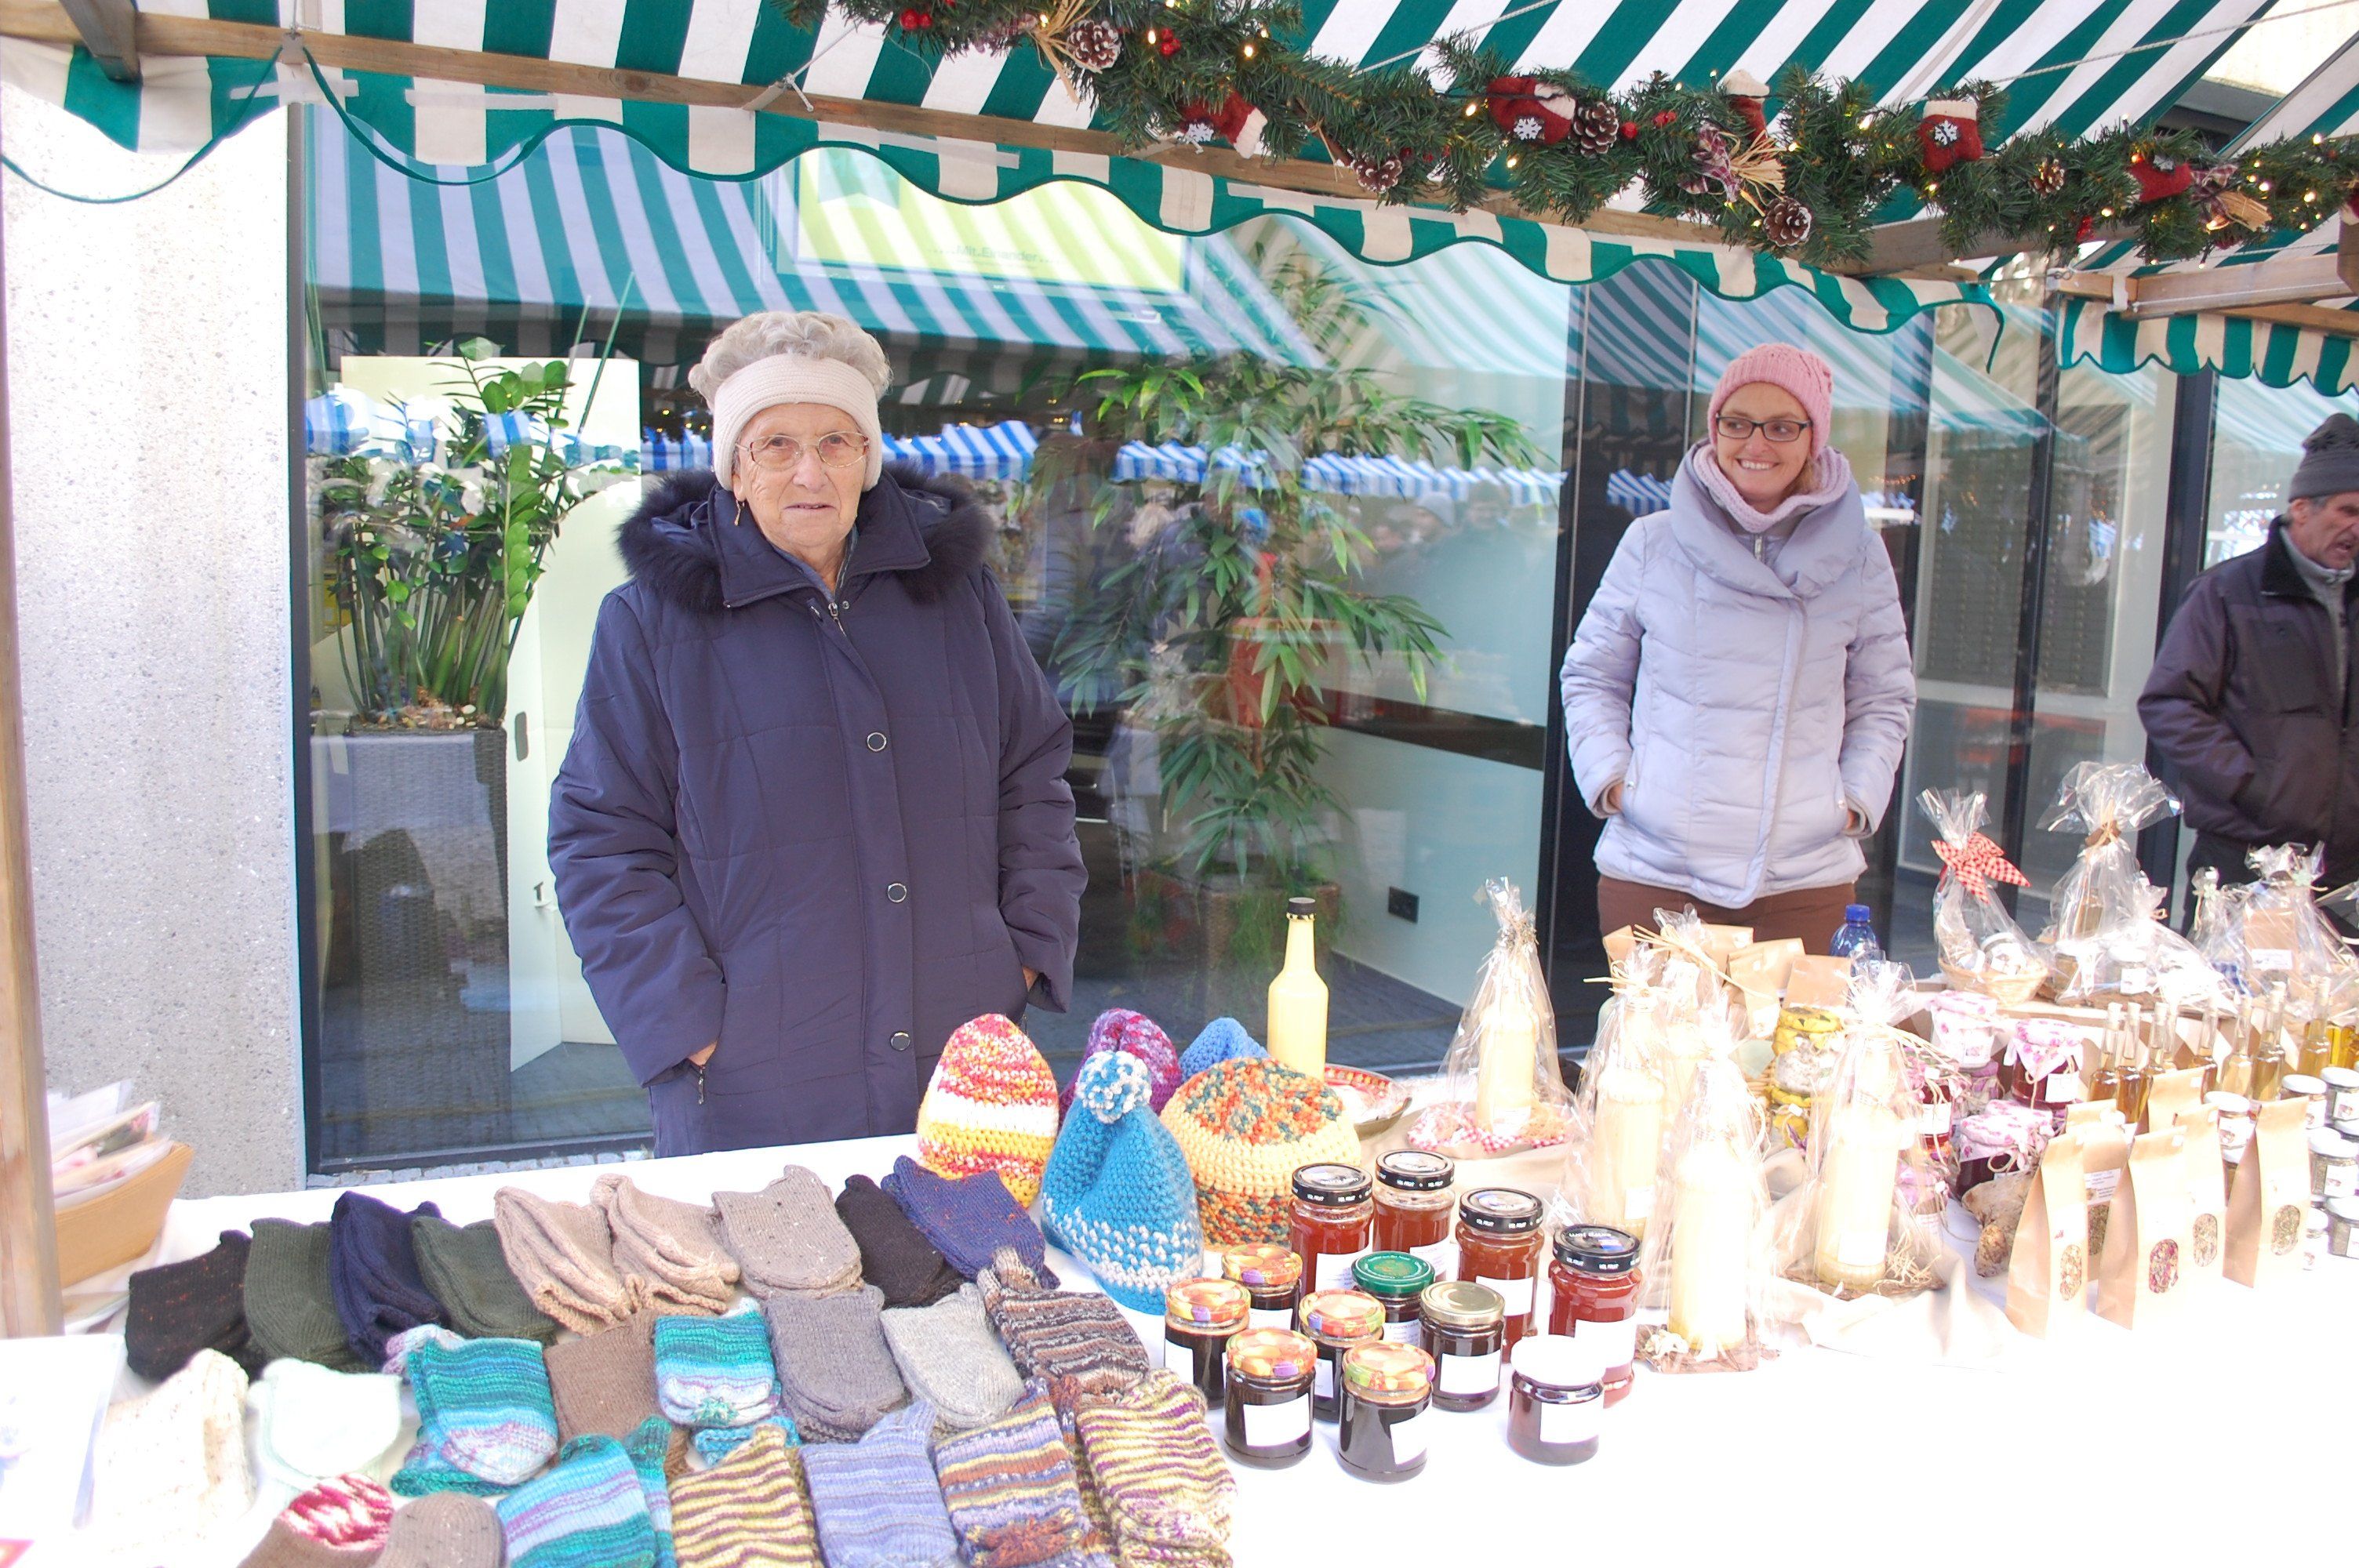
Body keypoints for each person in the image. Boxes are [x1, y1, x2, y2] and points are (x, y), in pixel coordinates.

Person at [548, 310, 1084, 1156]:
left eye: (836, 441)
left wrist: (1021, 955)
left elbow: (1033, 775)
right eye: (776, 445)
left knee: (969, 1241)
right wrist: (686, 1026)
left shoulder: (956, 599)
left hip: (960, 1057)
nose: (811, 471)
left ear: (867, 459)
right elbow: (601, 840)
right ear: (733, 467)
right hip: (752, 1079)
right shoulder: (652, 622)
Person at [1559, 343, 1916, 951]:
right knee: (1653, 1021)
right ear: (1715, 429)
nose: (1756, 444)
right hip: (1656, 870)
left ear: (1813, 437)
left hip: (1803, 880)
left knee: (1801, 1022)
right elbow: (1592, 676)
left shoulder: (1859, 555)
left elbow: (1884, 697)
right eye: (1737, 423)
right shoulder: (1652, 542)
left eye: (1782, 426)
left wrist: (1853, 799)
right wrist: (1614, 778)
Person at [2139, 411, 2359, 896]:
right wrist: (2252, 785)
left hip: (2347, 866)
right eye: (2348, 511)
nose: (2356, 528)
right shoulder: (2227, 592)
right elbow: (2170, 704)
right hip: (2248, 857)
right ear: (2302, 509)